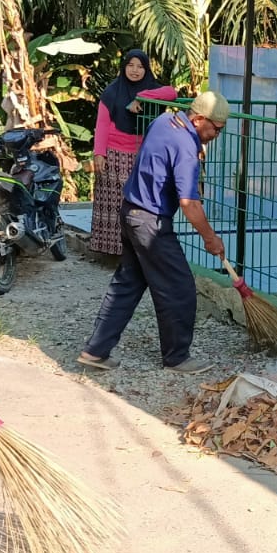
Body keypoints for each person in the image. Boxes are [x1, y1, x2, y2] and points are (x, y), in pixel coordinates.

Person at [78, 91, 229, 373]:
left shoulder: (163, 122)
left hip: (130, 211)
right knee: (179, 288)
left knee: (129, 283)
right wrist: (210, 238)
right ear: (198, 120)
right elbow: (189, 203)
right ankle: (177, 357)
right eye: (217, 129)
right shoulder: (186, 148)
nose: (218, 134)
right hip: (151, 223)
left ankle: (95, 350)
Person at [90, 50, 177, 258]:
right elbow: (102, 124)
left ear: (146, 69)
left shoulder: (153, 89)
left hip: (140, 154)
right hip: (114, 154)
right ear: (124, 67)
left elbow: (171, 93)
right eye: (131, 65)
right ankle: (111, 251)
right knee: (113, 204)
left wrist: (142, 96)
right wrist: (99, 153)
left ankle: (135, 249)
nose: (135, 71)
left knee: (137, 204)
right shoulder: (112, 92)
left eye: (140, 66)